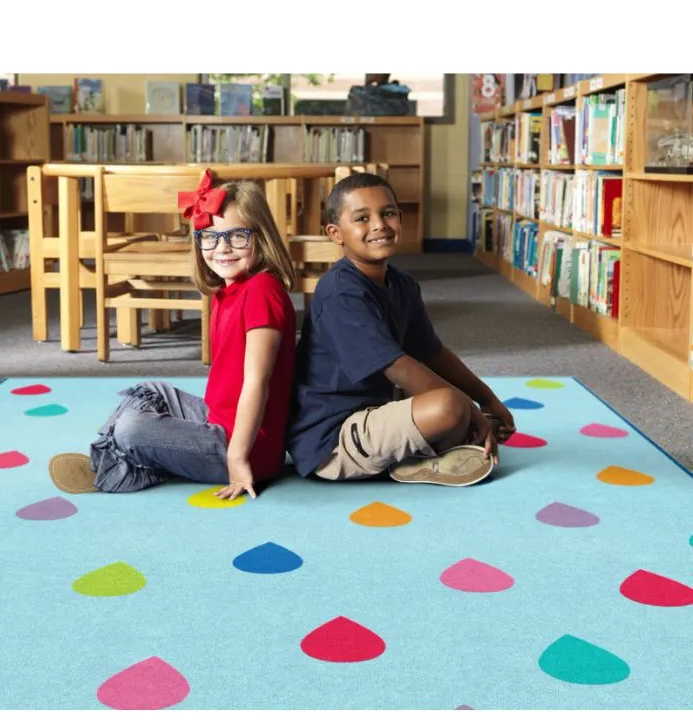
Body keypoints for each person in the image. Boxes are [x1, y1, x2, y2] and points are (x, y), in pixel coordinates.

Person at [49, 171, 297, 500]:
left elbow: (257, 383)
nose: (222, 248)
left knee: (132, 429)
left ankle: (123, 465)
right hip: (219, 418)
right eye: (209, 237)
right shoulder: (228, 291)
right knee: (151, 390)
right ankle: (121, 455)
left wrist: (237, 457)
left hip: (244, 448)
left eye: (237, 236)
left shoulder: (262, 289)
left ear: (260, 237)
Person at [286, 172, 516, 487]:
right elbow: (396, 366)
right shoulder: (339, 291)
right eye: (362, 218)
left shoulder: (402, 284)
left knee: (453, 408)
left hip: (377, 408)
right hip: (332, 438)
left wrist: (486, 399)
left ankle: (424, 449)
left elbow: (433, 353)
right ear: (336, 233)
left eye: (388, 213)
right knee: (449, 406)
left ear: (401, 219)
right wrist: (468, 409)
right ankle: (419, 458)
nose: (379, 224)